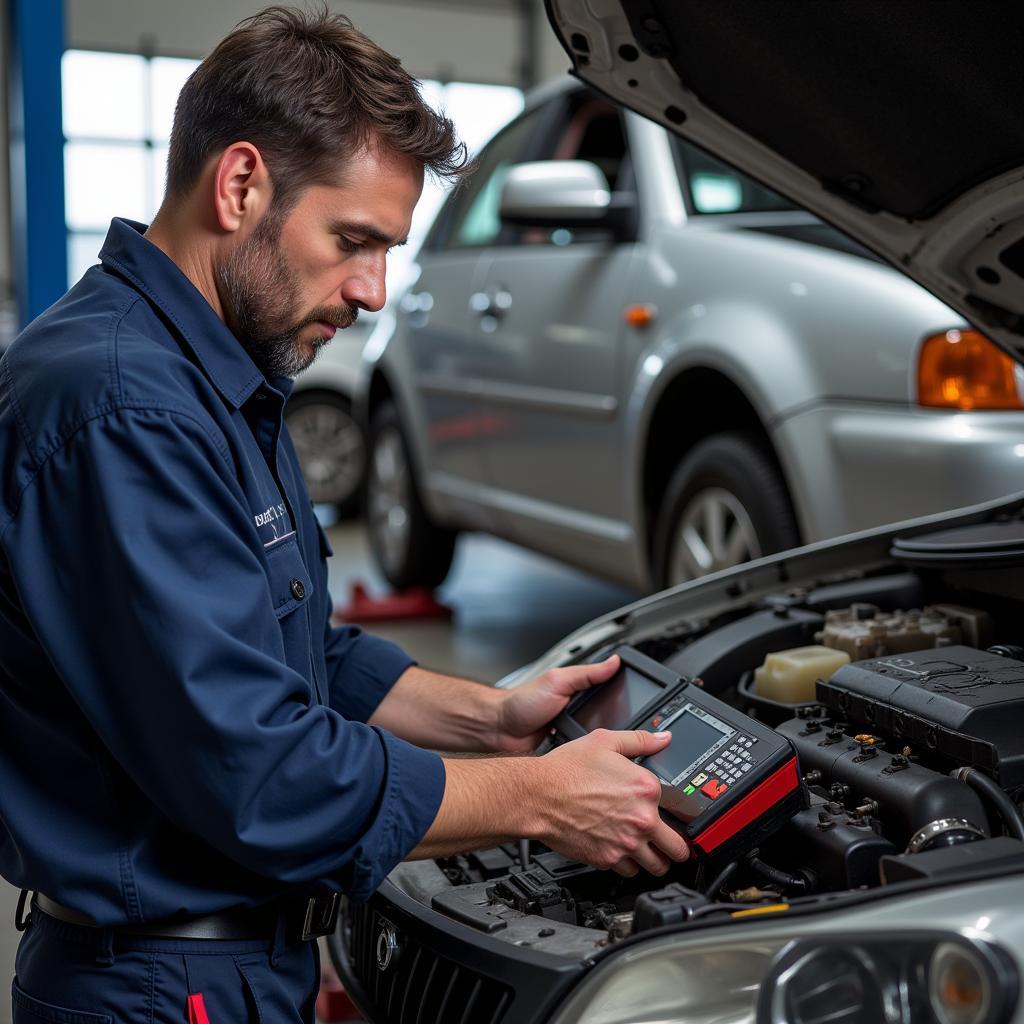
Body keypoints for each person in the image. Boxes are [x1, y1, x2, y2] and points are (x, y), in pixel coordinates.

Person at [0, 6, 689, 1020]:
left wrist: (487, 717)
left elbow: (283, 651)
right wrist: (540, 799)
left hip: (226, 963)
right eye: (352, 240)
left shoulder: (215, 364)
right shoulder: (123, 407)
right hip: (159, 984)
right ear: (239, 186)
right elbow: (262, 771)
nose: (373, 290)